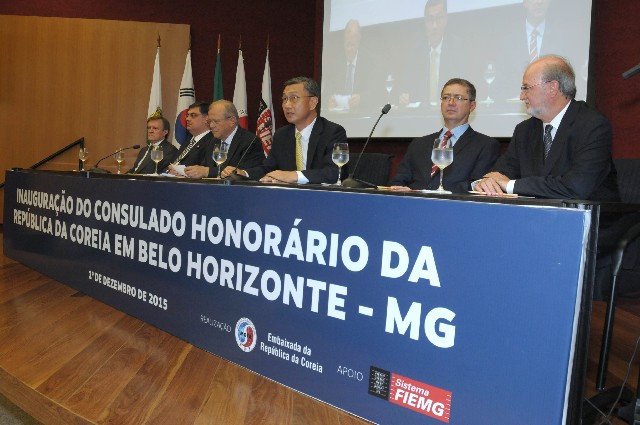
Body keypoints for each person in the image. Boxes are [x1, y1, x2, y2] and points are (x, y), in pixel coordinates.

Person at [474, 55, 618, 201]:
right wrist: (487, 182)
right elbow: (499, 173)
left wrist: (510, 185)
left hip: (589, 213)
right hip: (535, 212)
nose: (521, 96)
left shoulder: (592, 126)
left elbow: (575, 187)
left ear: (552, 88)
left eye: (526, 88)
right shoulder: (524, 130)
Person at [391, 78, 500, 192]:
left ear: (472, 106)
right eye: (446, 97)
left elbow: (477, 185)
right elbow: (398, 181)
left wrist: (432, 192)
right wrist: (399, 189)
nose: (451, 103)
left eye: (458, 98)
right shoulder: (418, 144)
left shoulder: (486, 146)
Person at [239, 77, 347, 184]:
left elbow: (335, 172)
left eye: (294, 98)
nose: (287, 105)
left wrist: (294, 176)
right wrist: (243, 173)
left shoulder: (332, 132)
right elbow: (268, 169)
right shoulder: (281, 135)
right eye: (284, 99)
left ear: (313, 102)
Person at [398, 0, 462, 108]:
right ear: (425, 22)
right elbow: (406, 87)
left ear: (446, 19)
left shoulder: (456, 48)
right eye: (430, 20)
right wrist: (404, 96)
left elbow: (464, 88)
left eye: (439, 18)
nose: (434, 26)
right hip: (422, 112)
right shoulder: (416, 51)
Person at [181, 100, 265, 179]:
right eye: (209, 121)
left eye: (216, 121)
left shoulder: (249, 141)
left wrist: (208, 172)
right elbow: (205, 167)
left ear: (232, 120)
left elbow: (243, 173)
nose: (211, 126)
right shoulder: (212, 141)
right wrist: (189, 171)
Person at [324, 19, 384, 113]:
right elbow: (327, 91)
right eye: (348, 37)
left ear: (359, 40)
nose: (350, 40)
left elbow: (376, 92)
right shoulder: (336, 63)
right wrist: (329, 99)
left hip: (361, 113)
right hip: (338, 114)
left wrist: (361, 98)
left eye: (354, 37)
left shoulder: (370, 62)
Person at [165, 101, 214, 177]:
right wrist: (169, 171)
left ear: (206, 118)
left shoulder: (212, 141)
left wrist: (181, 172)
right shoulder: (187, 143)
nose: (187, 119)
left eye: (193, 115)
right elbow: (173, 163)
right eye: (187, 115)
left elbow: (206, 169)